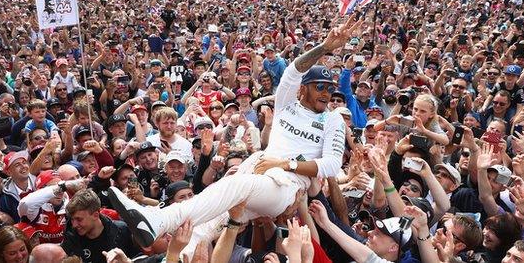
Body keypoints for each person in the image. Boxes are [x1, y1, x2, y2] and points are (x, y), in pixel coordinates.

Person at [107, 15, 362, 251]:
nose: (327, 93)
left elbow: (330, 165)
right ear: (303, 90)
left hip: (286, 186)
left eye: (330, 88)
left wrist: (286, 163)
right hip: (260, 168)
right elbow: (294, 70)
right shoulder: (287, 103)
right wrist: (325, 48)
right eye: (320, 87)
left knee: (236, 185)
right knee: (205, 227)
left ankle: (159, 219)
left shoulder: (333, 121)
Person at [61, 189, 139, 263]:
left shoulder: (122, 231)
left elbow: (140, 258)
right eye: (72, 219)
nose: (74, 225)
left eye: (79, 219)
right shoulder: (71, 237)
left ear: (95, 215)